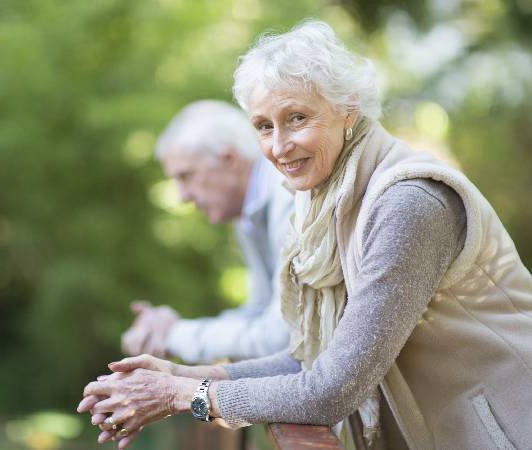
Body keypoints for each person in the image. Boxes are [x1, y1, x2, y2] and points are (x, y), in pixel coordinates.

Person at [78, 20, 532, 450]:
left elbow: (330, 391)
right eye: (263, 126)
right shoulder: (323, 199)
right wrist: (181, 372)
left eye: (297, 118)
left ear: (348, 109)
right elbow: (311, 359)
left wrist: (183, 395)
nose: (278, 146)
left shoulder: (408, 203)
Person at [121, 100, 294, 364]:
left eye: (186, 176)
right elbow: (259, 312)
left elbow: (280, 337)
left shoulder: (289, 197)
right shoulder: (249, 213)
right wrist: (175, 327)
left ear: (229, 160)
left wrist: (173, 335)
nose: (183, 197)